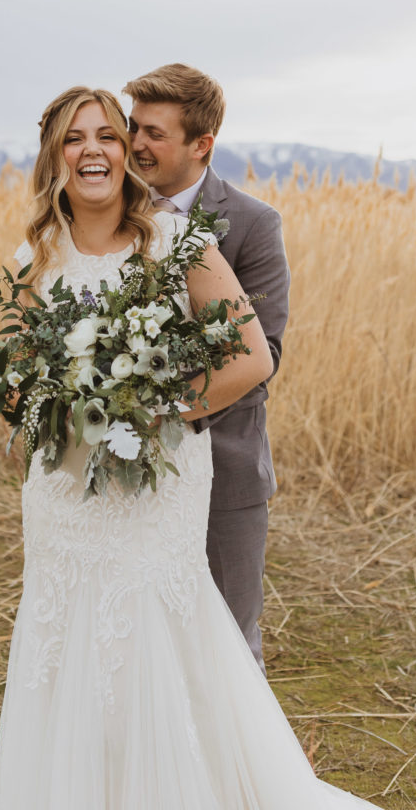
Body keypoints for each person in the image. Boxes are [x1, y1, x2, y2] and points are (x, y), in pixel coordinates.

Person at [0, 86, 416, 810]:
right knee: (67, 627)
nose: (92, 151)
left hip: (158, 481)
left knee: (150, 627)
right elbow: (15, 377)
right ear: (54, 155)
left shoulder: (178, 242)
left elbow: (250, 357)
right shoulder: (34, 256)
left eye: (107, 137)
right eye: (74, 138)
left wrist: (157, 415)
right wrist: (55, 407)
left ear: (125, 152)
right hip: (65, 489)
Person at [124, 63, 290, 672]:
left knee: (227, 639)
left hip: (225, 464)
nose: (137, 145)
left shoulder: (252, 224)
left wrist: (156, 411)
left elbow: (263, 353)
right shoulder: (105, 214)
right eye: (134, 128)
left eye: (155, 134)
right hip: (121, 470)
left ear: (202, 145)